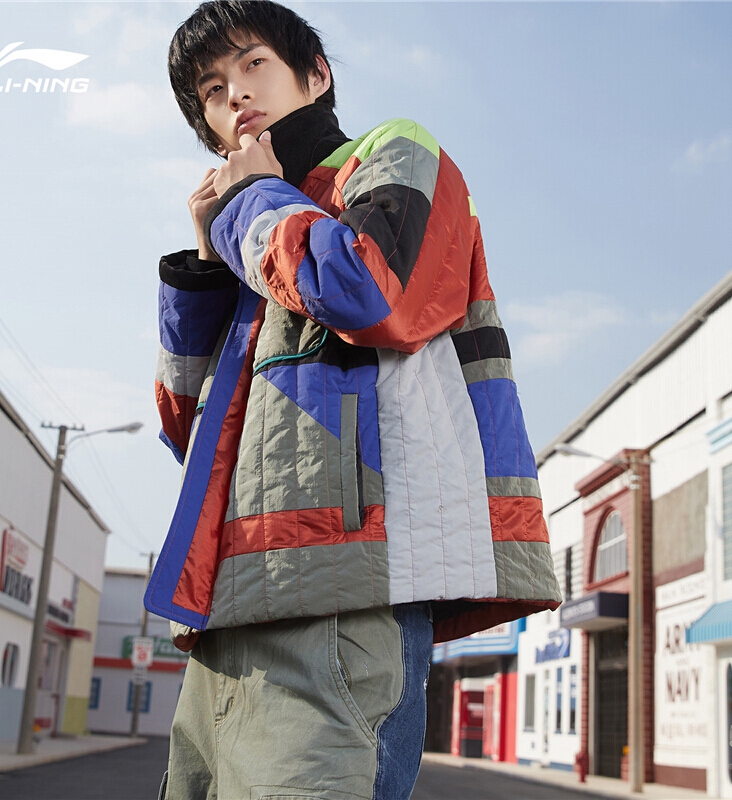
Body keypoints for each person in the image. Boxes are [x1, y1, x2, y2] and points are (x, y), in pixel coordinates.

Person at [146, 2, 562, 798]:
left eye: (253, 64)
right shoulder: (252, 235)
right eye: (211, 90)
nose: (235, 94)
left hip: (343, 599)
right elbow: (186, 431)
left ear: (316, 75)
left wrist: (252, 204)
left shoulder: (393, 153)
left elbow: (368, 291)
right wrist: (206, 257)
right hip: (225, 617)